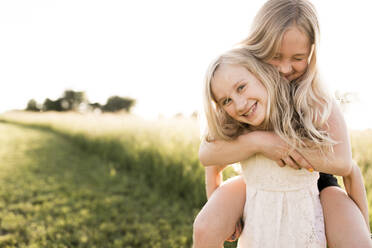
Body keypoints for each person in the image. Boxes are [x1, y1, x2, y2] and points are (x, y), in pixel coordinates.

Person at [193, 0, 372, 247]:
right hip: (258, 178)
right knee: (204, 227)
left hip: (315, 180)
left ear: (311, 52)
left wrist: (287, 147)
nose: (285, 68)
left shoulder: (316, 97)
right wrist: (260, 142)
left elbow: (344, 164)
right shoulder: (241, 93)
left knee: (357, 239)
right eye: (276, 56)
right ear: (259, 47)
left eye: (298, 58)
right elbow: (210, 155)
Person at [199, 47, 329, 247]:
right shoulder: (239, 128)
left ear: (259, 73)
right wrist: (219, 206)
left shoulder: (297, 111)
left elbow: (344, 163)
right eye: (227, 101)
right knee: (204, 227)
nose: (240, 104)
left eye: (241, 87)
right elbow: (211, 163)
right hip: (260, 226)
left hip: (301, 220)